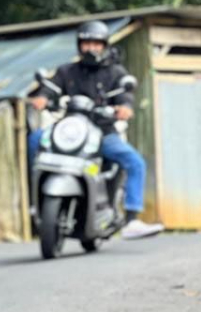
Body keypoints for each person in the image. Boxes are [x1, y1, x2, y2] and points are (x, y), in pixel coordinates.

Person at [29, 20, 165, 240]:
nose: (91, 48)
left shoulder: (115, 72)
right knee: (36, 139)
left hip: (103, 133)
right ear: (79, 46)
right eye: (86, 43)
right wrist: (42, 98)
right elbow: (49, 88)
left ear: (104, 45)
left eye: (96, 43)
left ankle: (131, 219)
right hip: (71, 131)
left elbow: (125, 96)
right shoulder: (67, 71)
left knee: (135, 162)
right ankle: (35, 199)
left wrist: (125, 108)